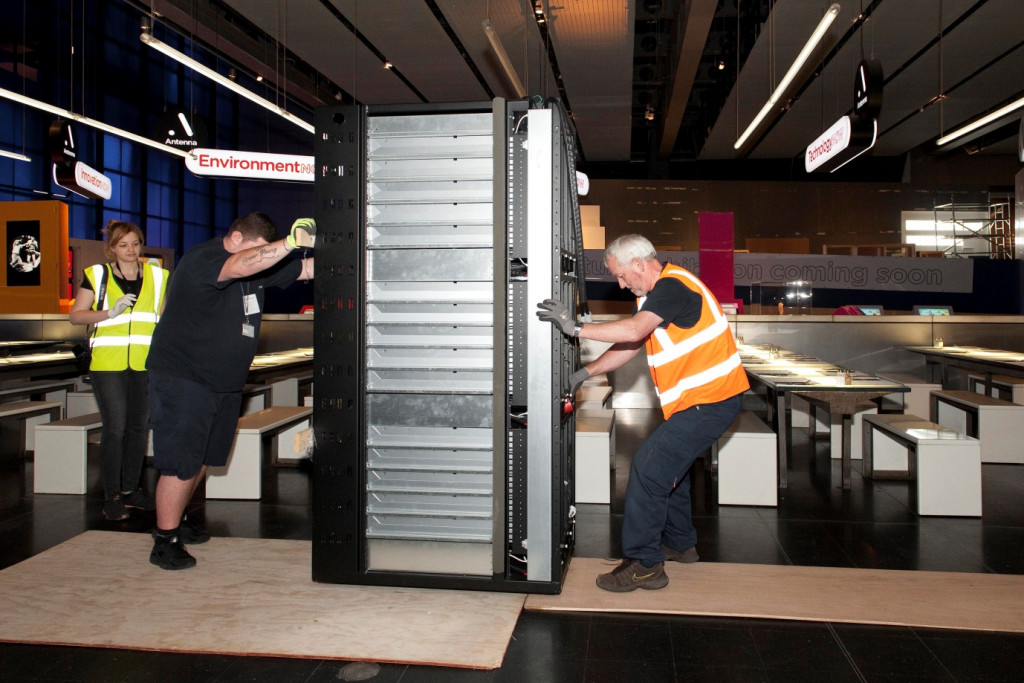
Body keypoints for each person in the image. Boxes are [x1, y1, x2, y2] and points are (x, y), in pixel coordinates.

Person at [537, 233, 749, 592]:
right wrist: (583, 374)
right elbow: (632, 342)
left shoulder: (672, 287)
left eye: (621, 275)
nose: (620, 284)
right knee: (669, 471)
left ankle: (644, 564)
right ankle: (681, 544)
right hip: (703, 403)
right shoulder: (657, 295)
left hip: (710, 402)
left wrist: (574, 327)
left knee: (649, 468)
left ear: (638, 264)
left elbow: (633, 329)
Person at [145, 212, 315, 570]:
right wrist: (288, 243)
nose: (264, 259)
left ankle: (178, 522)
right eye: (259, 251)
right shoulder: (205, 259)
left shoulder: (255, 270)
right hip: (185, 377)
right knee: (181, 462)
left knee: (203, 458)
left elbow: (304, 270)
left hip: (223, 382)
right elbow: (238, 266)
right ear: (236, 238)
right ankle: (164, 540)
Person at [69, 220, 169, 521]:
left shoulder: (157, 276)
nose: (131, 250)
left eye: (135, 244)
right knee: (116, 428)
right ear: (112, 248)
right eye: (123, 245)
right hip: (108, 363)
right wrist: (109, 312)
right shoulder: (97, 275)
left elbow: (164, 318)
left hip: (145, 362)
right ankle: (112, 495)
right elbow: (76, 316)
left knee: (139, 428)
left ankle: (130, 489)